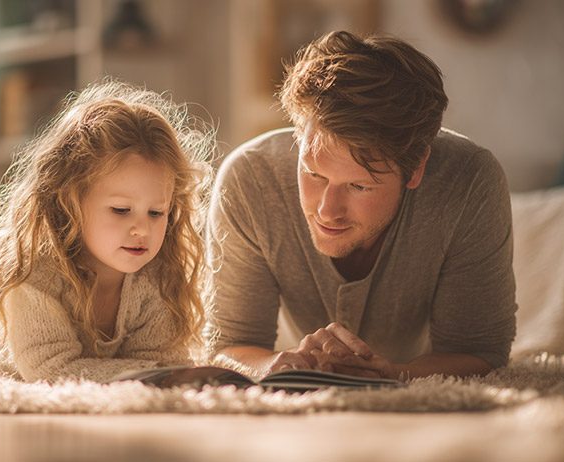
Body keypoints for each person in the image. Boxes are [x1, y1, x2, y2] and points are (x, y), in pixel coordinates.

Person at [206, 31, 517, 381]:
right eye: (314, 174)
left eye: (358, 185)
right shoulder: (250, 178)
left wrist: (394, 374)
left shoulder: (470, 180)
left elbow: (480, 351)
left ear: (415, 170)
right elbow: (228, 345)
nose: (326, 211)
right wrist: (276, 365)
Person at [0, 81, 215, 382]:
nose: (142, 228)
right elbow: (53, 371)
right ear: (69, 201)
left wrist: (167, 376)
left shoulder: (158, 277)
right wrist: (160, 376)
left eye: (157, 212)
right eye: (120, 210)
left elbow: (157, 364)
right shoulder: (33, 274)